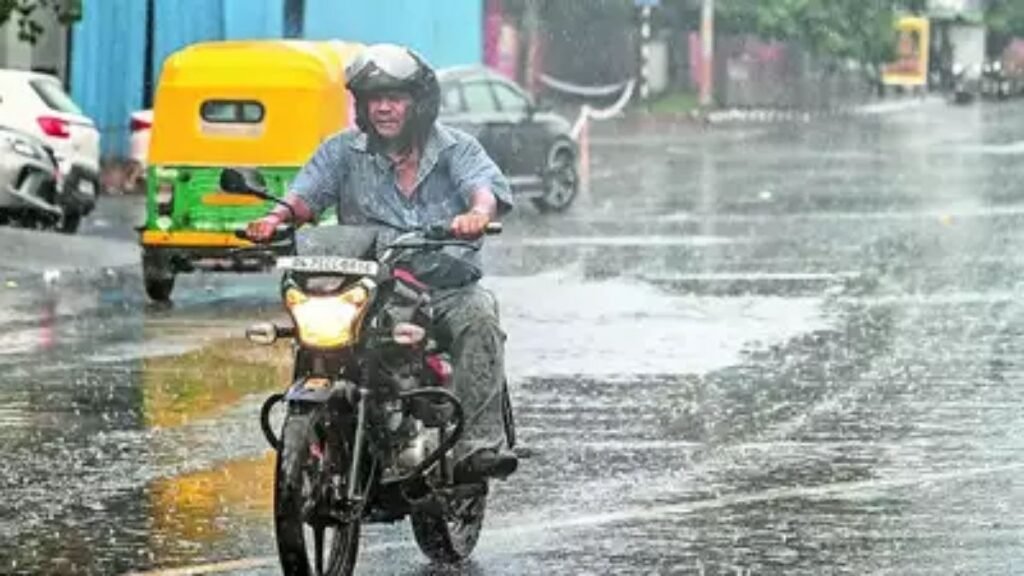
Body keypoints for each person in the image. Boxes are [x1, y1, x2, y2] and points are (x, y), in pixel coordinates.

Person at [246, 43, 517, 482]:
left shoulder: (456, 149)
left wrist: (477, 216)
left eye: (395, 98)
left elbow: (483, 188)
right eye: (375, 99)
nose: (384, 109)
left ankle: (479, 447)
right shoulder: (342, 152)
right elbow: (305, 196)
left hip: (443, 288)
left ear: (418, 103)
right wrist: (273, 217)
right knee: (316, 332)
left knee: (479, 318)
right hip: (373, 288)